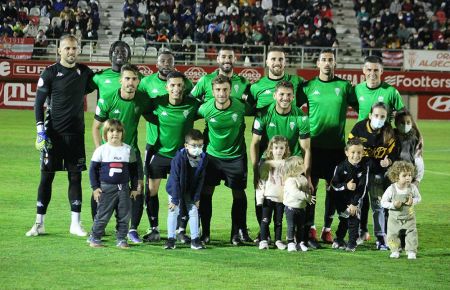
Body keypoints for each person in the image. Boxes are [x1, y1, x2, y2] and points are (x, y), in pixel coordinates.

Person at [26, 35, 95, 237]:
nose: (71, 52)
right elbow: (38, 104)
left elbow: (101, 84)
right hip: (53, 135)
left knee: (75, 178)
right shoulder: (49, 73)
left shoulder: (84, 72)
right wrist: (40, 130)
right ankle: (39, 223)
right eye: (67, 48)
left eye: (74, 48)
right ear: (59, 50)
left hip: (75, 135)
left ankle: (75, 224)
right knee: (46, 178)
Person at [297, 49, 358, 247]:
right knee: (311, 189)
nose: (326, 63)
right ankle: (311, 228)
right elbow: (291, 107)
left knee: (334, 189)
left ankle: (327, 229)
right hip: (313, 147)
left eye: (330, 60)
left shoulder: (345, 86)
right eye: (323, 60)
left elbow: (362, 109)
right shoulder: (308, 86)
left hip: (337, 148)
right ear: (317, 64)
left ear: (334, 63)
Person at [92, 63, 152, 243]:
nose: (130, 82)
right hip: (108, 155)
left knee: (137, 189)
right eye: (127, 79)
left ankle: (132, 230)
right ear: (121, 80)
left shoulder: (143, 99)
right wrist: (100, 151)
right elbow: (95, 127)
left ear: (138, 81)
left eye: (134, 79)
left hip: (131, 153)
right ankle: (97, 229)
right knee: (100, 190)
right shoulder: (108, 99)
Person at [138, 51, 194, 242]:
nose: (176, 88)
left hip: (181, 155)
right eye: (173, 85)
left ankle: (180, 230)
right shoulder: (156, 100)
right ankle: (153, 228)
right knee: (151, 190)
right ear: (167, 87)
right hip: (158, 152)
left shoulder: (192, 105)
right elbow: (141, 109)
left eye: (179, 85)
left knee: (183, 191)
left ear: (184, 86)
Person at [250, 80, 311, 243]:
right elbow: (254, 143)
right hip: (269, 162)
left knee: (292, 199)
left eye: (289, 95)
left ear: (293, 97)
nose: (285, 98)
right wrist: (256, 171)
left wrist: (307, 176)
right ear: (275, 95)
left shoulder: (301, 117)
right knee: (262, 196)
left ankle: (295, 236)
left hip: (291, 163)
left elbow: (306, 149)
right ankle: (264, 234)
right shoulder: (263, 114)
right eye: (282, 94)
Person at [197, 75, 252, 245]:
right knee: (206, 193)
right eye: (218, 90)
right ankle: (205, 233)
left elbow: (260, 111)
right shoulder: (205, 108)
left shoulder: (241, 107)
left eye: (225, 89)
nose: (222, 93)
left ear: (230, 90)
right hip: (212, 157)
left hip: (236, 157)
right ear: (212, 92)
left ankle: (236, 234)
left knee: (238, 194)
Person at [349, 102, 396, 250]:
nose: (379, 118)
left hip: (378, 175)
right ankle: (355, 236)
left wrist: (389, 160)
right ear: (370, 115)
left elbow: (394, 152)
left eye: (382, 116)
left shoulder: (388, 131)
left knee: (378, 206)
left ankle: (381, 238)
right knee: (358, 204)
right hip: (361, 174)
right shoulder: (359, 128)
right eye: (376, 115)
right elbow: (350, 147)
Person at [88, 119, 138, 248]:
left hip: (124, 189)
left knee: (124, 215)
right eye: (111, 131)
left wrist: (134, 187)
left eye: (118, 131)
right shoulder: (101, 150)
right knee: (103, 214)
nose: (115, 133)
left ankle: (121, 239)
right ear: (105, 133)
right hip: (106, 188)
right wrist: (95, 188)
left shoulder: (128, 150)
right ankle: (95, 238)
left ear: (122, 133)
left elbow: (133, 171)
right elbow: (92, 170)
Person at [165, 129, 208, 250]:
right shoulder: (178, 159)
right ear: (186, 145)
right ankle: (171, 240)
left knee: (194, 211)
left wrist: (197, 197)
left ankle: (195, 240)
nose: (197, 148)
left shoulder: (203, 158)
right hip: (175, 189)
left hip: (191, 189)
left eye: (200, 145)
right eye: (194, 145)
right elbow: (175, 179)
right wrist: (175, 199)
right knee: (173, 211)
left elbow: (200, 179)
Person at [330, 138, 369, 252]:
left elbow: (362, 188)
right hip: (341, 199)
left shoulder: (364, 168)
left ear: (363, 153)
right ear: (346, 152)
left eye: (359, 152)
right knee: (343, 219)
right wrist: (346, 186)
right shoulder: (340, 167)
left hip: (355, 200)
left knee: (353, 220)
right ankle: (339, 239)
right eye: (353, 152)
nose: (356, 155)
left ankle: (352, 243)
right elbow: (334, 185)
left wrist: (354, 203)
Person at [381, 161, 421, 259]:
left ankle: (411, 251)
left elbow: (419, 198)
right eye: (404, 175)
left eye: (410, 175)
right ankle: (395, 251)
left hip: (409, 217)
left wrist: (413, 201)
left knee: (412, 233)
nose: (408, 178)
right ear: (396, 176)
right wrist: (393, 205)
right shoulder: (391, 189)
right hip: (394, 218)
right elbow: (383, 202)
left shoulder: (413, 188)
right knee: (392, 235)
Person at [256, 136, 291, 250]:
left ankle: (278, 240)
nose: (279, 150)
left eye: (282, 148)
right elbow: (261, 182)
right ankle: (263, 240)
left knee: (278, 221)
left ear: (286, 149)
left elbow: (289, 182)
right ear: (271, 149)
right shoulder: (267, 164)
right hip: (268, 198)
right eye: (276, 148)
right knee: (265, 220)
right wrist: (259, 199)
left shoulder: (287, 165)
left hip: (281, 199)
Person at [355, 55, 404, 122]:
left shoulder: (391, 92)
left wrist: (397, 114)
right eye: (369, 70)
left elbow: (404, 114)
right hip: (360, 132)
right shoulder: (357, 89)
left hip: (383, 132)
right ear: (364, 70)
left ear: (381, 71)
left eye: (376, 70)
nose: (372, 73)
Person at [283, 156, 316, 252]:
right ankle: (290, 243)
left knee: (301, 226)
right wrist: (307, 197)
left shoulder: (303, 178)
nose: (303, 165)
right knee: (291, 226)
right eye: (300, 164)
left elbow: (306, 190)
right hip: (291, 208)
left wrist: (309, 195)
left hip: (302, 207)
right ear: (293, 167)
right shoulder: (290, 180)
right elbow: (295, 192)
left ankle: (300, 243)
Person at [393, 109, 424, 186]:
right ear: (396, 123)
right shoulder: (391, 137)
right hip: (394, 175)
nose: (405, 125)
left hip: (410, 176)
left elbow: (418, 160)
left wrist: (417, 180)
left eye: (408, 122)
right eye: (402, 123)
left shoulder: (415, 139)